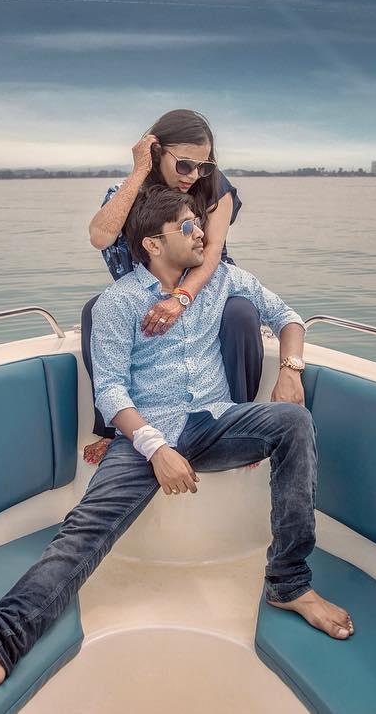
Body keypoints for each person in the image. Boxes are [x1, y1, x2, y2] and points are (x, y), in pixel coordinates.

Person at [0, 185, 354, 688]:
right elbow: (111, 389)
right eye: (188, 226)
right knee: (84, 527)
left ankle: (289, 583)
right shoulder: (117, 304)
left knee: (294, 421)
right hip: (146, 434)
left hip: (216, 420)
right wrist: (156, 448)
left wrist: (289, 370)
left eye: (199, 223)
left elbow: (287, 317)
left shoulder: (224, 278)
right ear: (153, 244)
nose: (202, 232)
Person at [81, 109, 263, 465]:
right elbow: (100, 236)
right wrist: (139, 172)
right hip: (144, 290)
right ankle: (110, 429)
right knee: (94, 310)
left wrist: (182, 297)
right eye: (184, 165)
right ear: (156, 151)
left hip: (202, 285)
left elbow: (212, 254)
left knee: (241, 313)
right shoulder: (131, 189)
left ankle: (240, 421)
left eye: (204, 166)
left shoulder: (214, 187)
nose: (193, 176)